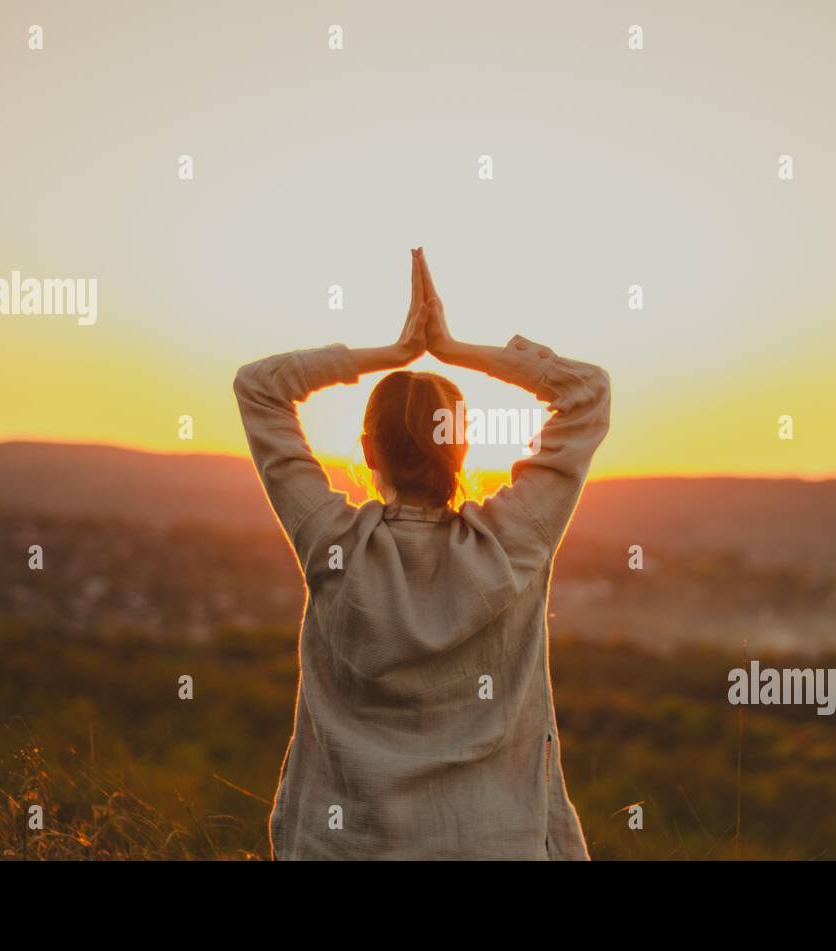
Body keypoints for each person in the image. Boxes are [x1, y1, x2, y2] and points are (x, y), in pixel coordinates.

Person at [233, 248, 611, 859]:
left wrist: (392, 353)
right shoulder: (513, 542)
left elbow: (258, 388)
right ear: (461, 453)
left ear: (368, 452)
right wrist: (455, 349)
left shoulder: (333, 545)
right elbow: (588, 393)